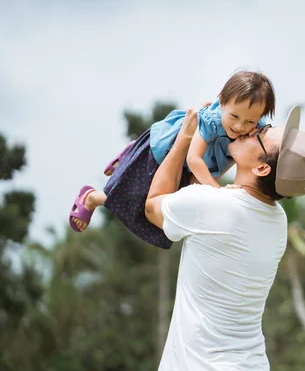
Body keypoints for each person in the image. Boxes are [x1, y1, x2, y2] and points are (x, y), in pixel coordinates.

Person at [144, 105, 305, 371]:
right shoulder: (277, 221)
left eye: (260, 133)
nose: (251, 129)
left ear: (262, 168)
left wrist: (185, 137)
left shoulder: (215, 206)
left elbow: (152, 207)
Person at [68, 70, 275, 249]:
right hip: (169, 150)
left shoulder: (255, 125)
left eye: (249, 121)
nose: (240, 126)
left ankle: (124, 165)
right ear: (222, 101)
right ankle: (94, 193)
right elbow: (194, 158)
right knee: (138, 198)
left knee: (170, 205)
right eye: (235, 117)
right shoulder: (211, 122)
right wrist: (217, 190)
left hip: (196, 165)